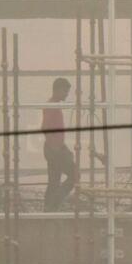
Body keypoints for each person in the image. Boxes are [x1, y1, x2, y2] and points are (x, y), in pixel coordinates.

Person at [42, 78, 77, 210]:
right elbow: (44, 127)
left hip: (53, 148)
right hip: (54, 149)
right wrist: (57, 148)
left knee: (54, 181)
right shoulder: (52, 106)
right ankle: (55, 202)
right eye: (65, 91)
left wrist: (61, 147)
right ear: (57, 90)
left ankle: (49, 208)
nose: (67, 94)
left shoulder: (53, 105)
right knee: (75, 174)